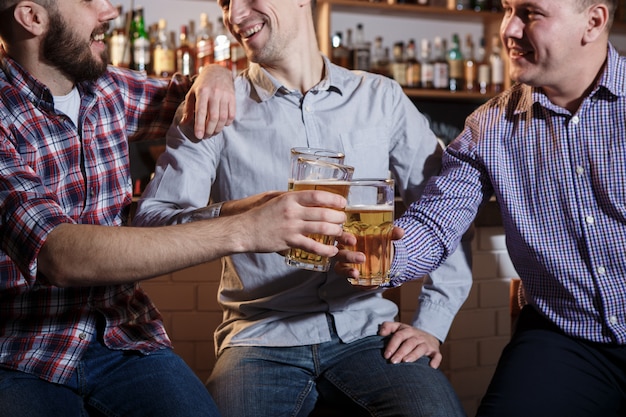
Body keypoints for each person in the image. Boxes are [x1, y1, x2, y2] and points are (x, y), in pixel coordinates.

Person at [0, 1, 349, 416]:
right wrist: (246, 229)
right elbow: (60, 254)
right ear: (32, 17)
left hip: (123, 337)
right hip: (21, 351)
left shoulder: (108, 89)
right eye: (89, 0)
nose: (110, 11)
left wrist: (214, 73)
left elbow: (205, 98)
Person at [134, 0, 473, 415]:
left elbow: (448, 209)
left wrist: (430, 326)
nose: (234, 14)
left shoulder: (380, 98)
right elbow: (151, 224)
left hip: (368, 330)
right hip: (259, 338)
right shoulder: (216, 101)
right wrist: (245, 217)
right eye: (224, 2)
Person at [337, 0, 626, 416]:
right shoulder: (489, 128)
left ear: (593, 22)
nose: (508, 29)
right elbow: (435, 223)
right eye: (508, 10)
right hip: (564, 335)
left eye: (530, 13)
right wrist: (379, 256)